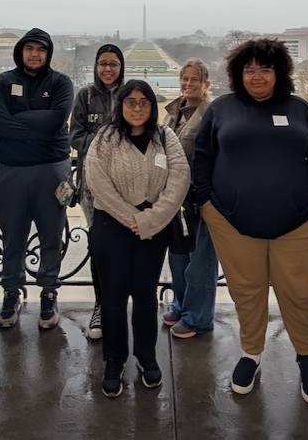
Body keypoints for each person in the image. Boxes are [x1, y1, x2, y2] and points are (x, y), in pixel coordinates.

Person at [193, 38, 308, 405]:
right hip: (233, 224)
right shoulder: (221, 110)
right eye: (250, 69)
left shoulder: (300, 109)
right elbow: (203, 157)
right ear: (238, 74)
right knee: (246, 291)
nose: (257, 76)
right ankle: (251, 354)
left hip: (300, 225)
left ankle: (307, 358)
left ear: (279, 73)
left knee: (296, 295)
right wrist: (208, 205)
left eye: (265, 69)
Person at [84, 80, 190, 398]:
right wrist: (131, 218)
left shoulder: (164, 135)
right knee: (113, 299)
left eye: (144, 102)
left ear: (152, 107)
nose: (137, 108)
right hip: (112, 226)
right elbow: (96, 179)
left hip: (152, 228)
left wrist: (150, 219)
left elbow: (180, 177)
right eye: (130, 102)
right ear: (121, 106)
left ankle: (146, 356)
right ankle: (114, 361)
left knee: (145, 297)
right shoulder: (106, 136)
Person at [0, 28, 74, 330]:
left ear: (48, 53)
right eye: (30, 48)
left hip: (52, 170)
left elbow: (56, 120)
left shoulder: (61, 83)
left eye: (41, 49)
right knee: (13, 238)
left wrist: (18, 123)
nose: (35, 54)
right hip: (11, 171)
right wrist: (36, 126)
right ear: (21, 51)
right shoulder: (3, 82)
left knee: (52, 236)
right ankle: (11, 293)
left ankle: (49, 292)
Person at [158, 59, 218, 339]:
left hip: (200, 198)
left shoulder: (211, 113)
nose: (188, 84)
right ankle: (181, 306)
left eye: (195, 79)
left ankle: (199, 317)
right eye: (185, 79)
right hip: (175, 198)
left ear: (206, 84)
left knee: (201, 262)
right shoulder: (174, 112)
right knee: (179, 256)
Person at [69, 44, 126, 340]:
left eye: (113, 64)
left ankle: (119, 305)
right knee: (100, 249)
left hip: (126, 185)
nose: (107, 69)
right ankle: (101, 306)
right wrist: (106, 139)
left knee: (125, 249)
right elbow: (74, 135)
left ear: (121, 66)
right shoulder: (85, 96)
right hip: (92, 188)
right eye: (103, 64)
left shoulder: (130, 94)